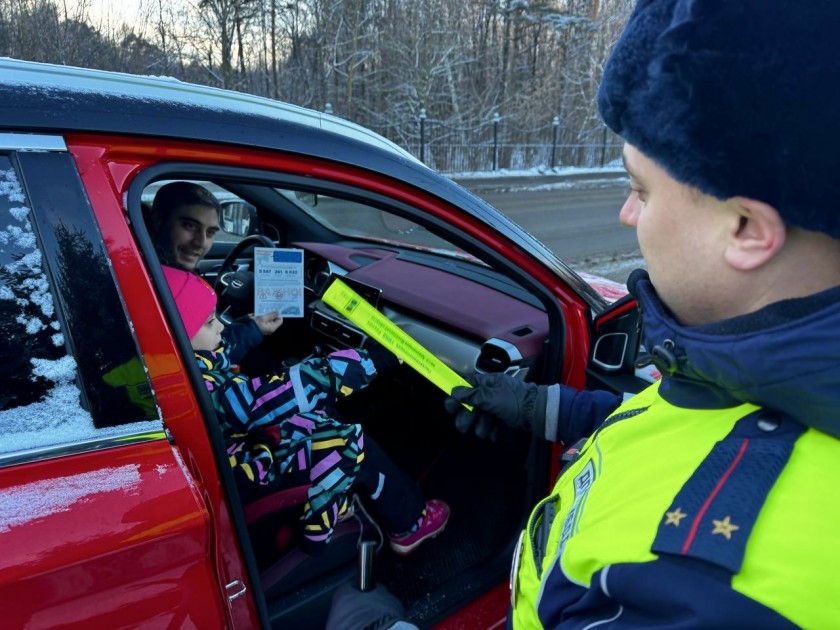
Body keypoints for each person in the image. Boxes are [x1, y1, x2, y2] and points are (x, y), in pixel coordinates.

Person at [446, 2, 840, 628]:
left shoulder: (703, 592)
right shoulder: (754, 369)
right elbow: (680, 430)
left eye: (640, 190)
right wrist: (535, 407)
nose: (627, 217)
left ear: (743, 228)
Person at [162, 265, 449, 556]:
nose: (221, 326)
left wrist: (253, 327)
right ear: (178, 337)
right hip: (249, 470)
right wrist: (373, 359)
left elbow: (216, 354)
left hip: (231, 455)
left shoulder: (171, 369)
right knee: (353, 443)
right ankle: (410, 523)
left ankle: (342, 496)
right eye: (210, 322)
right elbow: (285, 390)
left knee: (317, 413)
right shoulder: (203, 394)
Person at [148, 181, 282, 365]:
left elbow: (205, 355)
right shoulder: (149, 285)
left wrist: (253, 328)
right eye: (190, 226)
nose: (200, 242)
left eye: (210, 233)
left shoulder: (157, 272)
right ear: (159, 220)